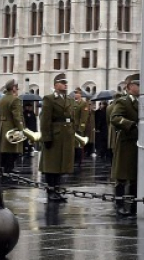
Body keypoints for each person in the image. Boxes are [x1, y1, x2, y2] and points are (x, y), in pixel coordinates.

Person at [39, 73, 75, 202]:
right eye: (62, 82)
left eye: (66, 83)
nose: (65, 85)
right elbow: (45, 120)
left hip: (65, 136)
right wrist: (46, 137)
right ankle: (51, 191)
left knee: (61, 165)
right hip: (55, 135)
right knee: (52, 166)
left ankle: (57, 190)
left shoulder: (69, 99)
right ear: (55, 85)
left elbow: (72, 118)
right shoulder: (49, 99)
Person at [111, 74, 140, 216]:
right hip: (126, 142)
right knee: (122, 176)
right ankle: (120, 204)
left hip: (139, 143)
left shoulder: (143, 102)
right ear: (129, 87)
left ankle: (134, 204)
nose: (141, 88)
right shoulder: (123, 102)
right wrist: (131, 124)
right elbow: (115, 118)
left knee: (135, 176)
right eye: (138, 85)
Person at [0, 79, 25, 174]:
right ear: (13, 88)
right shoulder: (15, 99)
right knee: (12, 148)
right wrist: (21, 129)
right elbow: (17, 116)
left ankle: (3, 167)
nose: (17, 90)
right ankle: (9, 168)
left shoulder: (1, 99)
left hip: (2, 125)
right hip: (11, 127)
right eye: (16, 88)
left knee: (4, 149)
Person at [72, 87, 90, 167]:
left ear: (80, 94)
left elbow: (84, 117)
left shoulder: (83, 104)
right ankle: (73, 159)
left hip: (78, 127)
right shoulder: (73, 103)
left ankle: (78, 161)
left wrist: (81, 128)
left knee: (78, 144)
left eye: (77, 93)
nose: (76, 95)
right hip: (72, 127)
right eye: (75, 93)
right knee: (72, 144)